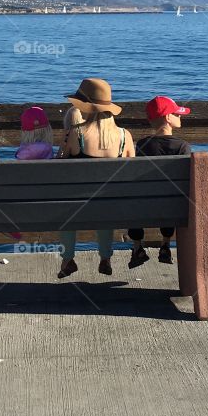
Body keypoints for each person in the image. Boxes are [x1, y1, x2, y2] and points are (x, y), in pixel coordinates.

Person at [56, 78, 135, 279]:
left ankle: (67, 259)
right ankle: (105, 258)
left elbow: (59, 165)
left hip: (77, 204)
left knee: (67, 211)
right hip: (110, 205)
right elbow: (132, 171)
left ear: (87, 106)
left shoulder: (77, 133)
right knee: (104, 204)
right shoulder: (125, 135)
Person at [128, 96, 192, 268]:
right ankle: (165, 244)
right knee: (171, 194)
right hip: (173, 207)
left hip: (144, 205)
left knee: (136, 199)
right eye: (177, 114)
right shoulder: (183, 146)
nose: (180, 117)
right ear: (167, 118)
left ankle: (137, 246)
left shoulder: (142, 145)